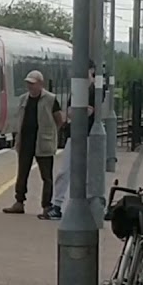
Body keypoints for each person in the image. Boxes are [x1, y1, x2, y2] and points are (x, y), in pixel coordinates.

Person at [3, 70, 64, 216]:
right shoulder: (24, 99)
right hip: (25, 142)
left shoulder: (50, 99)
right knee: (22, 173)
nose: (30, 86)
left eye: (32, 83)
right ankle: (19, 202)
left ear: (40, 84)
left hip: (43, 142)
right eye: (28, 83)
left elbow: (59, 120)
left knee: (46, 176)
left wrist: (51, 133)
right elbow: (20, 119)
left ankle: (46, 206)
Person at [43, 60, 96, 220]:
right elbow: (72, 112)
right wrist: (77, 111)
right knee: (64, 171)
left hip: (89, 137)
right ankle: (57, 205)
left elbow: (86, 112)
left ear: (90, 70)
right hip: (74, 136)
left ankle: (91, 205)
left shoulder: (95, 91)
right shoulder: (77, 90)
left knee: (88, 174)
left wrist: (76, 111)